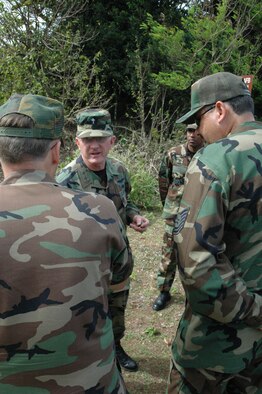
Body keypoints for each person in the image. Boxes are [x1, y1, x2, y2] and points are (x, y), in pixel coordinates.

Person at [0, 93, 132, 393]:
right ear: (57, 151)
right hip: (89, 382)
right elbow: (120, 273)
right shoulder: (100, 209)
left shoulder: (113, 186)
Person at [167, 71, 262, 393]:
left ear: (220, 110)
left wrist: (254, 311)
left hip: (220, 349)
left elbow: (197, 264)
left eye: (199, 118)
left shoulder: (216, 159)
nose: (197, 130)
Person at [56, 108, 149, 372]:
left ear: (112, 141)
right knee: (85, 317)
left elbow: (126, 203)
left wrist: (133, 216)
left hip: (118, 261)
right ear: (77, 143)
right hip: (84, 267)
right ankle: (90, 360)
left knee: (116, 312)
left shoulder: (119, 170)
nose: (94, 145)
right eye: (87, 139)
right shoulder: (65, 180)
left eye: (100, 138)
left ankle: (115, 346)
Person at [152, 124, 204, 311]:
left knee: (197, 255)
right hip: (175, 213)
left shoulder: (209, 155)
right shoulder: (173, 154)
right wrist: (168, 205)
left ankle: (195, 294)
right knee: (169, 252)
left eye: (196, 131)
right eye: (189, 131)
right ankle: (164, 291)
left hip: (199, 214)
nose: (192, 135)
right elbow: (163, 180)